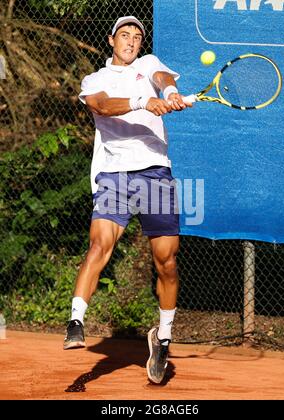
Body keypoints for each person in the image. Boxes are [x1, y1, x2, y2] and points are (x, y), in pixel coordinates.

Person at [63, 15, 192, 384]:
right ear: (111, 39)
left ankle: (163, 338)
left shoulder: (149, 64)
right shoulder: (95, 80)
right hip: (115, 175)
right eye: (125, 35)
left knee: (166, 260)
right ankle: (75, 321)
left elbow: (163, 78)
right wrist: (143, 102)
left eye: (137, 36)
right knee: (99, 246)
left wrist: (166, 94)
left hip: (154, 171)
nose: (132, 41)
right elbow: (102, 105)